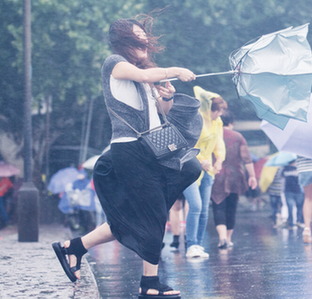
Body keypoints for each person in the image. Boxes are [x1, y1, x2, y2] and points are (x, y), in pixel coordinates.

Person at [52, 16, 201, 299]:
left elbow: (161, 113)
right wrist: (175, 70)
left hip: (151, 148)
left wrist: (167, 96)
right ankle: (149, 283)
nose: (143, 43)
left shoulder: (145, 73)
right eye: (137, 39)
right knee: (153, 214)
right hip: (129, 149)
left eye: (145, 39)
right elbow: (145, 76)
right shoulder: (114, 63)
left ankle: (74, 247)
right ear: (124, 42)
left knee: (184, 175)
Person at [183, 86, 227, 258]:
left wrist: (220, 160)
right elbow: (188, 144)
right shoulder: (196, 120)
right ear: (210, 109)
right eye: (218, 111)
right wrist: (201, 160)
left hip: (208, 170)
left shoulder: (217, 122)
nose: (220, 114)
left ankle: (198, 244)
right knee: (195, 205)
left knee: (204, 210)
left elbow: (219, 141)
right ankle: (191, 244)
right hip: (192, 166)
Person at [210, 111, 257, 248]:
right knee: (231, 208)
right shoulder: (238, 137)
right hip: (235, 177)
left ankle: (222, 238)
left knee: (218, 206)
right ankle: (228, 239)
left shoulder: (213, 135)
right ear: (231, 123)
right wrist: (252, 176)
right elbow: (247, 159)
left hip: (216, 175)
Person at [282, 161, 305, 229]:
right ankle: (299, 221)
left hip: (289, 191)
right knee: (299, 207)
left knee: (291, 207)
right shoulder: (299, 169)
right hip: (297, 191)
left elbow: (282, 176)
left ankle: (291, 223)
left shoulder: (285, 169)